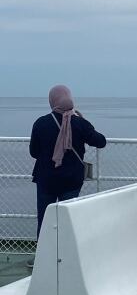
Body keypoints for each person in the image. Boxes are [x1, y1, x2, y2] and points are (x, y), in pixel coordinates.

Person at [29, 85, 106, 267]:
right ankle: (66, 259)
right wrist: (83, 121)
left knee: (45, 219)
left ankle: (42, 259)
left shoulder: (41, 123)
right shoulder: (79, 123)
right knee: (67, 219)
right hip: (71, 180)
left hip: (46, 180)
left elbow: (34, 152)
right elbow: (101, 141)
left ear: (52, 101)